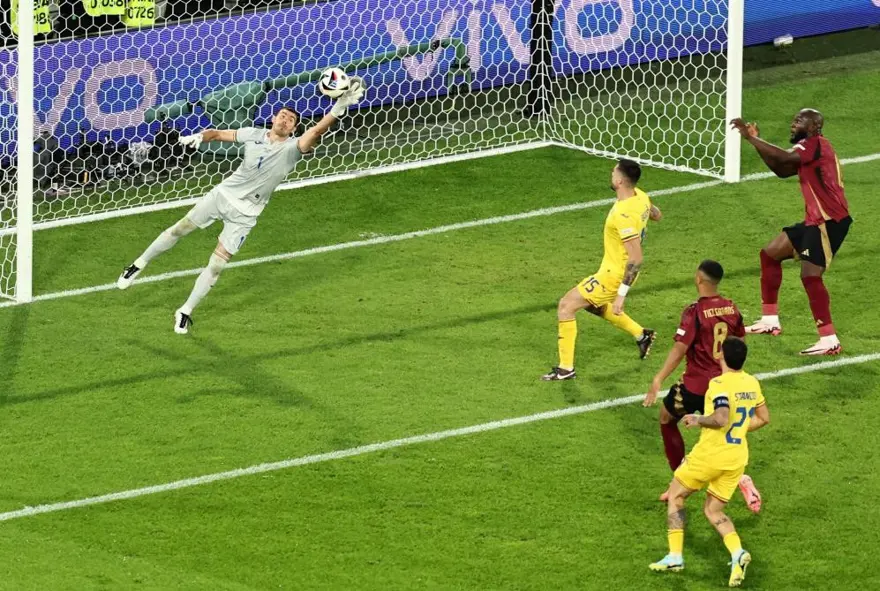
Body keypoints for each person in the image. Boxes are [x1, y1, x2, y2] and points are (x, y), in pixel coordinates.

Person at [116, 79, 366, 333]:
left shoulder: (293, 148)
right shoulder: (252, 134)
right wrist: (199, 136)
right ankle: (137, 265)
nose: (285, 120)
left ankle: (185, 311)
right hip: (222, 195)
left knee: (217, 265)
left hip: (246, 214)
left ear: (293, 129)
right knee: (179, 229)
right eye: (282, 115)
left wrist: (338, 109)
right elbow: (217, 134)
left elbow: (315, 132)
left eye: (291, 120)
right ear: (273, 119)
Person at [649, 337, 770, 588]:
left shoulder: (718, 384)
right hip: (736, 458)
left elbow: (721, 418)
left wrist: (698, 419)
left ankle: (675, 556)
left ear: (721, 356)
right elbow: (763, 418)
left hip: (710, 455)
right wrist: (738, 430)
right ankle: (737, 553)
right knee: (714, 510)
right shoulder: (752, 382)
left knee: (675, 496)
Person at [731, 109, 852, 355]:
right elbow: (782, 170)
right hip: (814, 220)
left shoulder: (816, 144)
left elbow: (784, 158)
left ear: (814, 126)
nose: (793, 124)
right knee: (770, 254)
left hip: (829, 220)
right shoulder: (808, 149)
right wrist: (755, 142)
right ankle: (769, 320)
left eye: (799, 121)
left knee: (810, 276)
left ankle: (829, 340)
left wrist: (752, 138)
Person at [643, 260, 761, 512]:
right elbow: (740, 342)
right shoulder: (732, 307)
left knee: (666, 418)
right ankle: (740, 478)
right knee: (722, 433)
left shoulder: (694, 312)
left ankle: (678, 481)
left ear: (698, 278)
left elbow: (680, 348)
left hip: (696, 386)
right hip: (725, 385)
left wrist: (658, 378)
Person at [542, 159, 661, 381]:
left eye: (614, 172)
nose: (611, 174)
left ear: (621, 180)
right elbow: (656, 214)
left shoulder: (623, 214)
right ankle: (641, 334)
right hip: (610, 270)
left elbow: (636, 258)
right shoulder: (640, 196)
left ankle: (566, 369)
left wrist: (621, 295)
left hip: (615, 275)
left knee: (566, 306)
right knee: (592, 305)